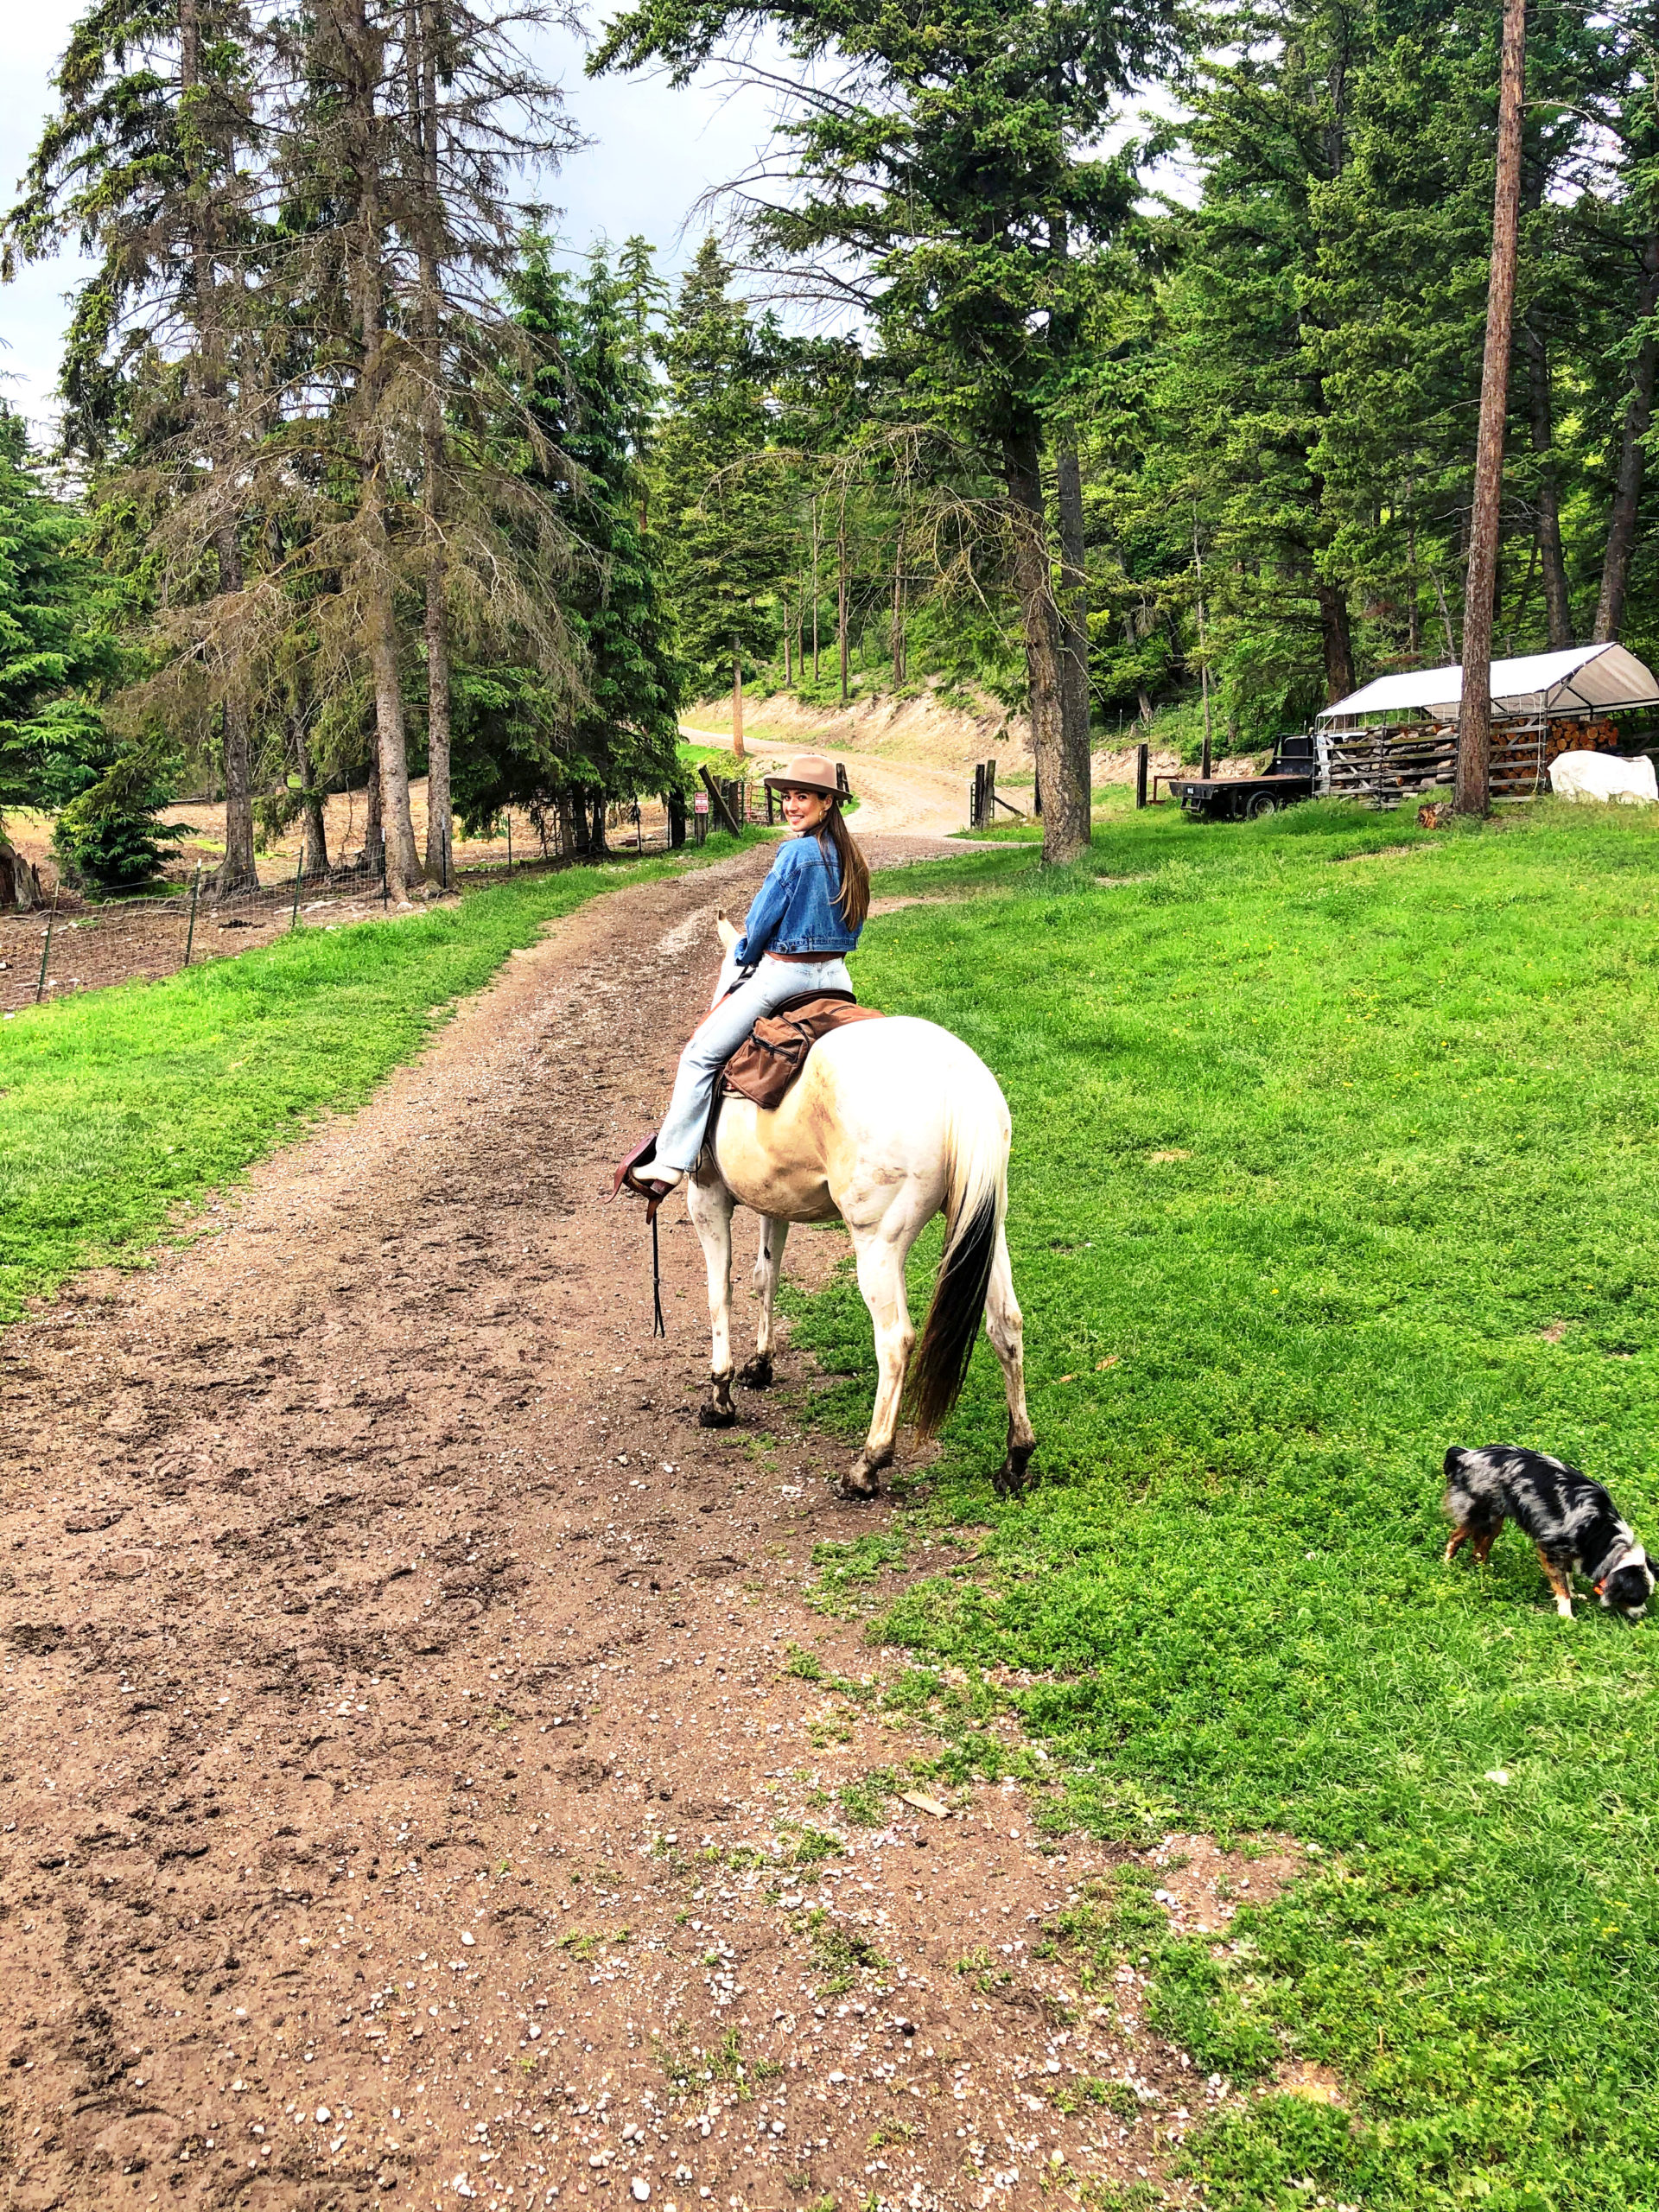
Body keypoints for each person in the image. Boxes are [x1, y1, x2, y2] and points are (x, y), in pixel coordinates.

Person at [640, 753, 870, 1194]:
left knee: (699, 1056)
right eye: (787, 797)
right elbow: (854, 921)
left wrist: (742, 948)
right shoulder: (853, 858)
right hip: (839, 980)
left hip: (784, 978)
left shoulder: (796, 854)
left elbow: (763, 920)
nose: (791, 806)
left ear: (827, 803)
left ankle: (670, 1162)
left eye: (802, 797)